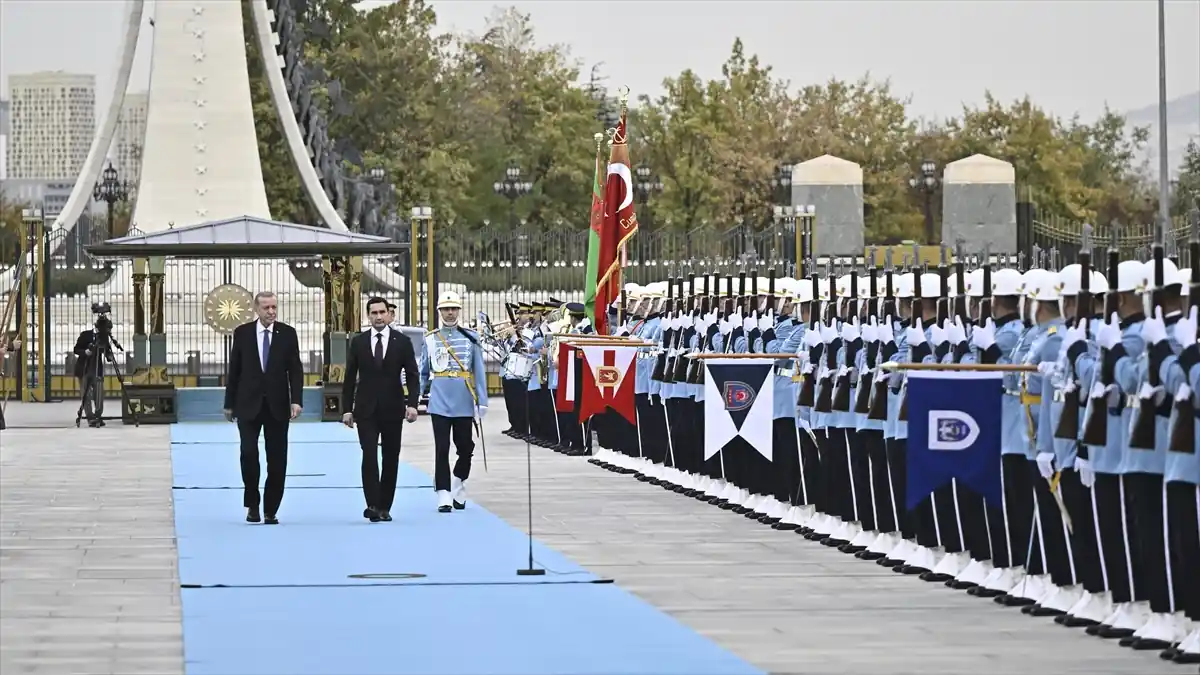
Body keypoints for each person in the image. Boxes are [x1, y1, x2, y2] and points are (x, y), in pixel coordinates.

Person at [223, 291, 304, 524]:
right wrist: (229, 404)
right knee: (248, 453)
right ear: (256, 310)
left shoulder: (288, 334)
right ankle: (253, 504)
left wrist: (296, 400)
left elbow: (296, 370)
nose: (271, 312)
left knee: (277, 459)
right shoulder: (243, 333)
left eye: (274, 307)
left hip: (278, 406)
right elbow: (234, 371)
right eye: (266, 308)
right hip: (248, 404)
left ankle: (271, 509)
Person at [343, 296, 420, 522]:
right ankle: (372, 504)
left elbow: (413, 376)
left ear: (389, 314)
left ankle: (385, 505)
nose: (378, 317)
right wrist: (347, 408)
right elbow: (349, 379)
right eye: (373, 313)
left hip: (393, 408)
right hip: (365, 409)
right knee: (368, 455)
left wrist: (412, 404)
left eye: (381, 312)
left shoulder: (402, 342)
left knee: (390, 457)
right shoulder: (358, 342)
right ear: (368, 316)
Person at [420, 291, 489, 512]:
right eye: (445, 309)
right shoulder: (430, 338)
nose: (450, 313)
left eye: (454, 309)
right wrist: (417, 398)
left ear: (459, 310)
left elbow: (478, 371)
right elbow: (423, 371)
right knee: (442, 448)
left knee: (465, 447)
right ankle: (443, 492)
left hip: (463, 398)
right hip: (439, 399)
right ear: (439, 311)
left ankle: (459, 481)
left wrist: (482, 400)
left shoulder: (471, 337)